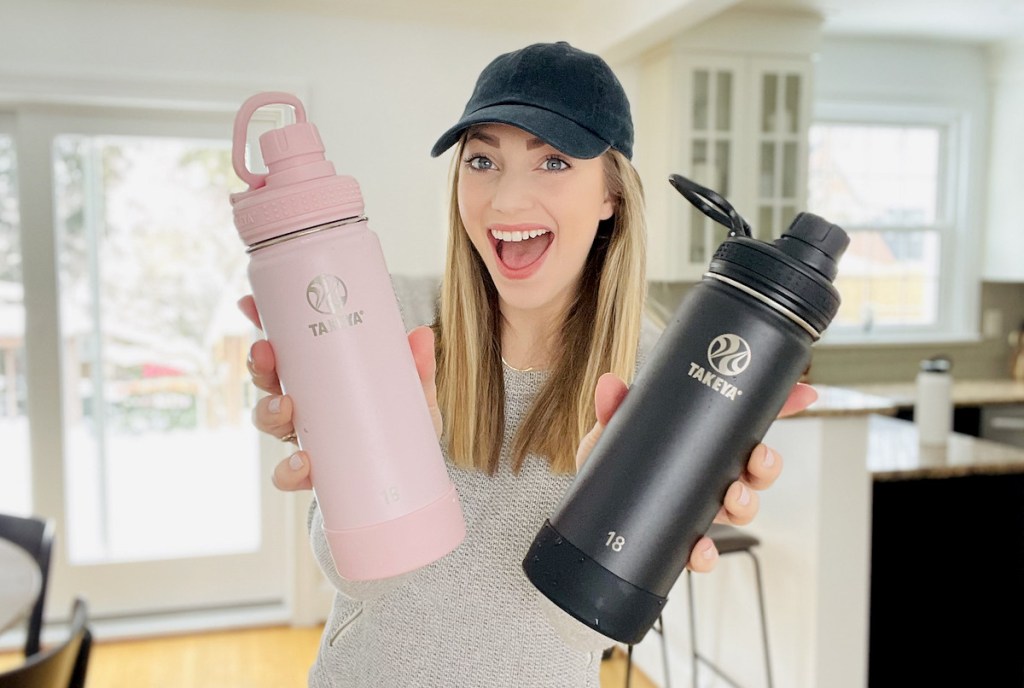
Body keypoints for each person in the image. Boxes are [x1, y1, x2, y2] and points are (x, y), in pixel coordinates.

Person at [238, 41, 816, 688]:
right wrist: (380, 468)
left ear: (612, 196)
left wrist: (640, 521)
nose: (507, 201)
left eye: (553, 161)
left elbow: (584, 630)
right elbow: (356, 580)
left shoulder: (665, 381)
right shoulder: (385, 315)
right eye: (482, 159)